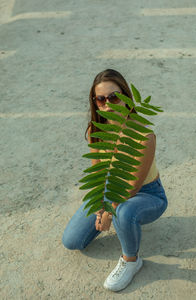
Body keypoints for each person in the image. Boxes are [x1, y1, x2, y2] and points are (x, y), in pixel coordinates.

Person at [62, 69, 168, 292]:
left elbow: (132, 187)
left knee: (125, 211)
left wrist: (108, 211)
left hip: (147, 194)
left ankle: (131, 260)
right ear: (95, 103)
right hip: (110, 189)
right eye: (100, 99)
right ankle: (121, 222)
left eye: (114, 97)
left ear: (127, 97)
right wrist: (99, 207)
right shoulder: (95, 130)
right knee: (72, 241)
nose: (108, 104)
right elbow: (98, 175)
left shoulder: (144, 136)